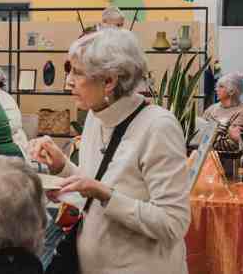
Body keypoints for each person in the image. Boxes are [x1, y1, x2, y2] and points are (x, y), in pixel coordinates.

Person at [32, 28, 190, 274]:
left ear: (109, 81)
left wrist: (105, 195)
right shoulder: (96, 117)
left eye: (77, 72)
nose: (68, 82)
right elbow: (91, 193)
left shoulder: (159, 127)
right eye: (68, 70)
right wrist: (62, 167)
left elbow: (172, 223)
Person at [203, 72, 243, 150]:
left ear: (231, 91)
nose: (216, 89)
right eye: (216, 86)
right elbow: (199, 133)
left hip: (225, 160)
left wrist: (208, 138)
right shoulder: (211, 109)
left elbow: (233, 145)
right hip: (205, 158)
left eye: (221, 86)